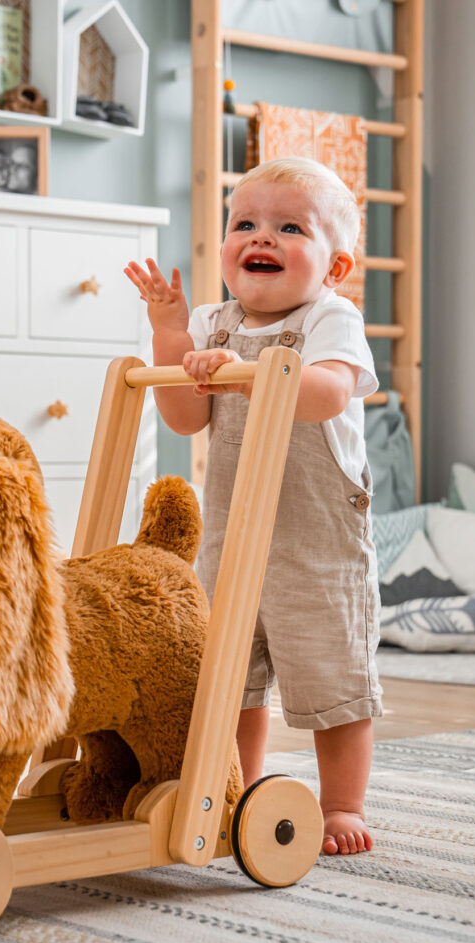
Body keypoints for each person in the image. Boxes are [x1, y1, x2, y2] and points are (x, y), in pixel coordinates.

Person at [125, 156, 381, 856]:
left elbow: (327, 393)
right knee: (227, 675)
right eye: (245, 224)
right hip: (232, 535)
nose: (259, 238)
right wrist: (173, 334)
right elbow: (181, 417)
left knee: (333, 673)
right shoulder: (214, 323)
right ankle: (236, 787)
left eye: (288, 227)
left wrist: (244, 380)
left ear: (332, 268)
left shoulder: (332, 318)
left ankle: (341, 805)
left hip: (315, 545)